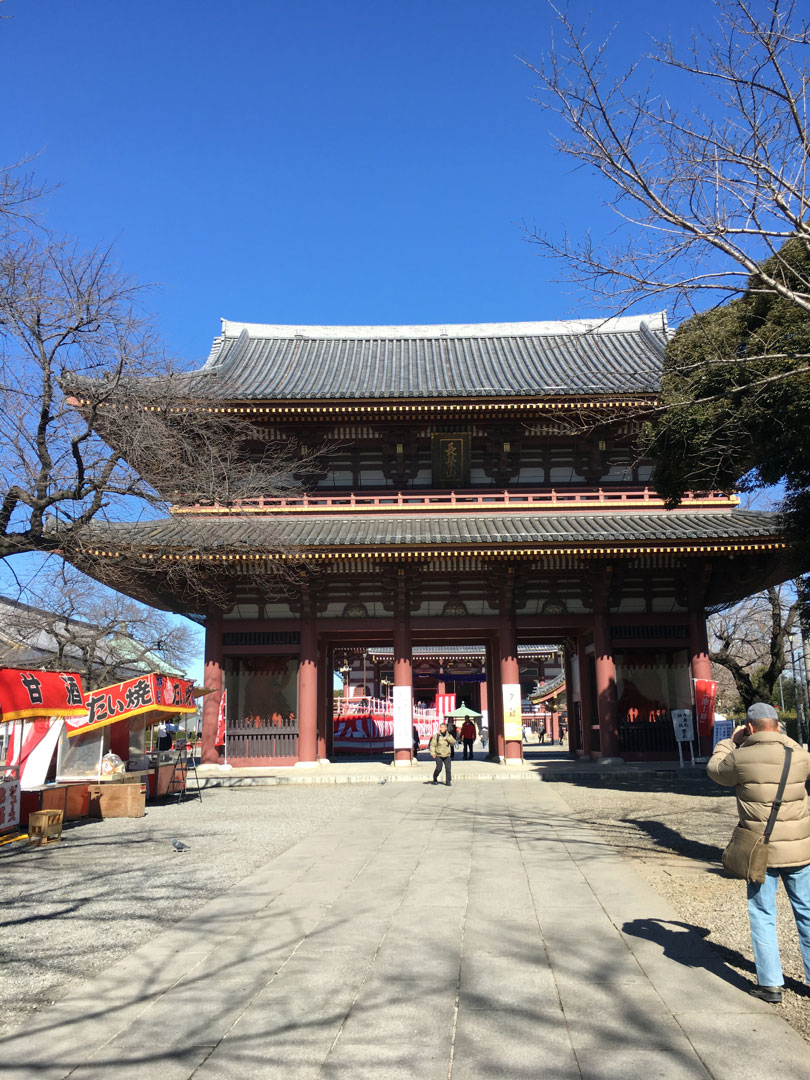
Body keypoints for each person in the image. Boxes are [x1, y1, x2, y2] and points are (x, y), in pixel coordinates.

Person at [707, 702, 810, 1003]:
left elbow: (715, 769)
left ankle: (770, 983)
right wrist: (781, 737)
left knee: (763, 913)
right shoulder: (800, 756)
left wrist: (729, 740)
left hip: (759, 851)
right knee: (806, 912)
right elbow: (792, 746)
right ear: (778, 726)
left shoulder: (739, 758)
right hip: (800, 850)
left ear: (750, 727)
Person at [429, 721, 455, 786]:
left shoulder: (449, 735)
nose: (441, 729)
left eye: (443, 727)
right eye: (440, 727)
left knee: (448, 769)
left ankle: (448, 781)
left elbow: (453, 742)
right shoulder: (437, 736)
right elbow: (432, 745)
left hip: (447, 755)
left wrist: (448, 739)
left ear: (446, 728)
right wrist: (433, 753)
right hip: (439, 755)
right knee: (439, 768)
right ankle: (435, 777)